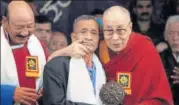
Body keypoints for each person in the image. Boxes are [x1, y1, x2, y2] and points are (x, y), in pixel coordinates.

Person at [49, 6, 174, 105]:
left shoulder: (144, 48)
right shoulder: (99, 48)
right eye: (109, 30)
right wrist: (64, 51)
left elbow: (160, 96)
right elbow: (52, 63)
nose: (114, 38)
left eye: (120, 30)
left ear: (130, 27)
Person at [43, 15, 106, 105]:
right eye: (83, 32)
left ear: (98, 39)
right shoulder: (56, 66)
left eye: (94, 33)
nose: (89, 37)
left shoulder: (103, 69)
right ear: (74, 37)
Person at [1, 1, 48, 105]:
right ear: (5, 22)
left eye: (30, 26)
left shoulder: (38, 45)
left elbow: (48, 75)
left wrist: (45, 88)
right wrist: (8, 93)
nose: (25, 32)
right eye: (19, 27)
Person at [160, 15, 179, 105]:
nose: (175, 38)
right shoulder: (158, 59)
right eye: (171, 33)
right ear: (165, 36)